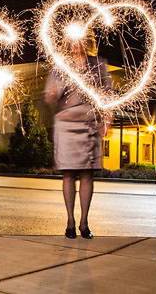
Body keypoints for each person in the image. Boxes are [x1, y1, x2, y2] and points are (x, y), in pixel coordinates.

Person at [44, 33, 112, 239]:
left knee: (86, 174)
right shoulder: (60, 66)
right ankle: (70, 222)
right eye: (72, 42)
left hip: (89, 123)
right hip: (65, 124)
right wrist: (53, 94)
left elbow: (107, 94)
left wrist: (107, 120)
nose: (76, 45)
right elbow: (49, 96)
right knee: (68, 174)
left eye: (80, 41)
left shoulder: (98, 64)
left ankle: (84, 222)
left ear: (87, 42)